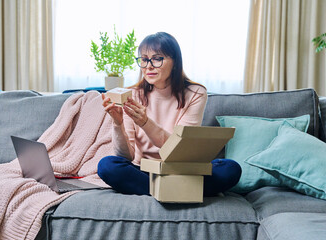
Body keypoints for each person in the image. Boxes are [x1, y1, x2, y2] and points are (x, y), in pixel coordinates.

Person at [98, 32, 241, 196]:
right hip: (143, 171)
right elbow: (126, 156)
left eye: (157, 59)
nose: (149, 66)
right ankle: (179, 192)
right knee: (107, 165)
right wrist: (118, 124)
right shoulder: (132, 94)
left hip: (182, 170)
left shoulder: (195, 93)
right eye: (144, 59)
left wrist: (145, 122)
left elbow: (181, 150)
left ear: (175, 63)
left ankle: (158, 191)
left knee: (230, 168)